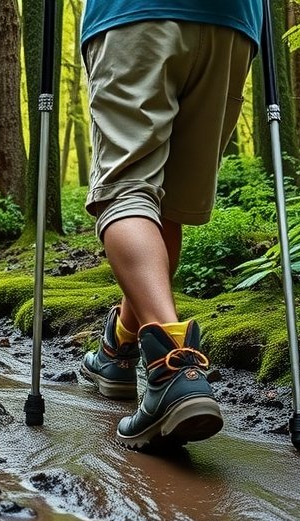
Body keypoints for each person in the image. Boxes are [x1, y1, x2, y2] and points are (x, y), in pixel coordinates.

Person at [78, 1, 262, 449]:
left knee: (127, 190)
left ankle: (173, 369)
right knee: (166, 207)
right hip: (232, 24)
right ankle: (119, 347)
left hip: (134, 15)